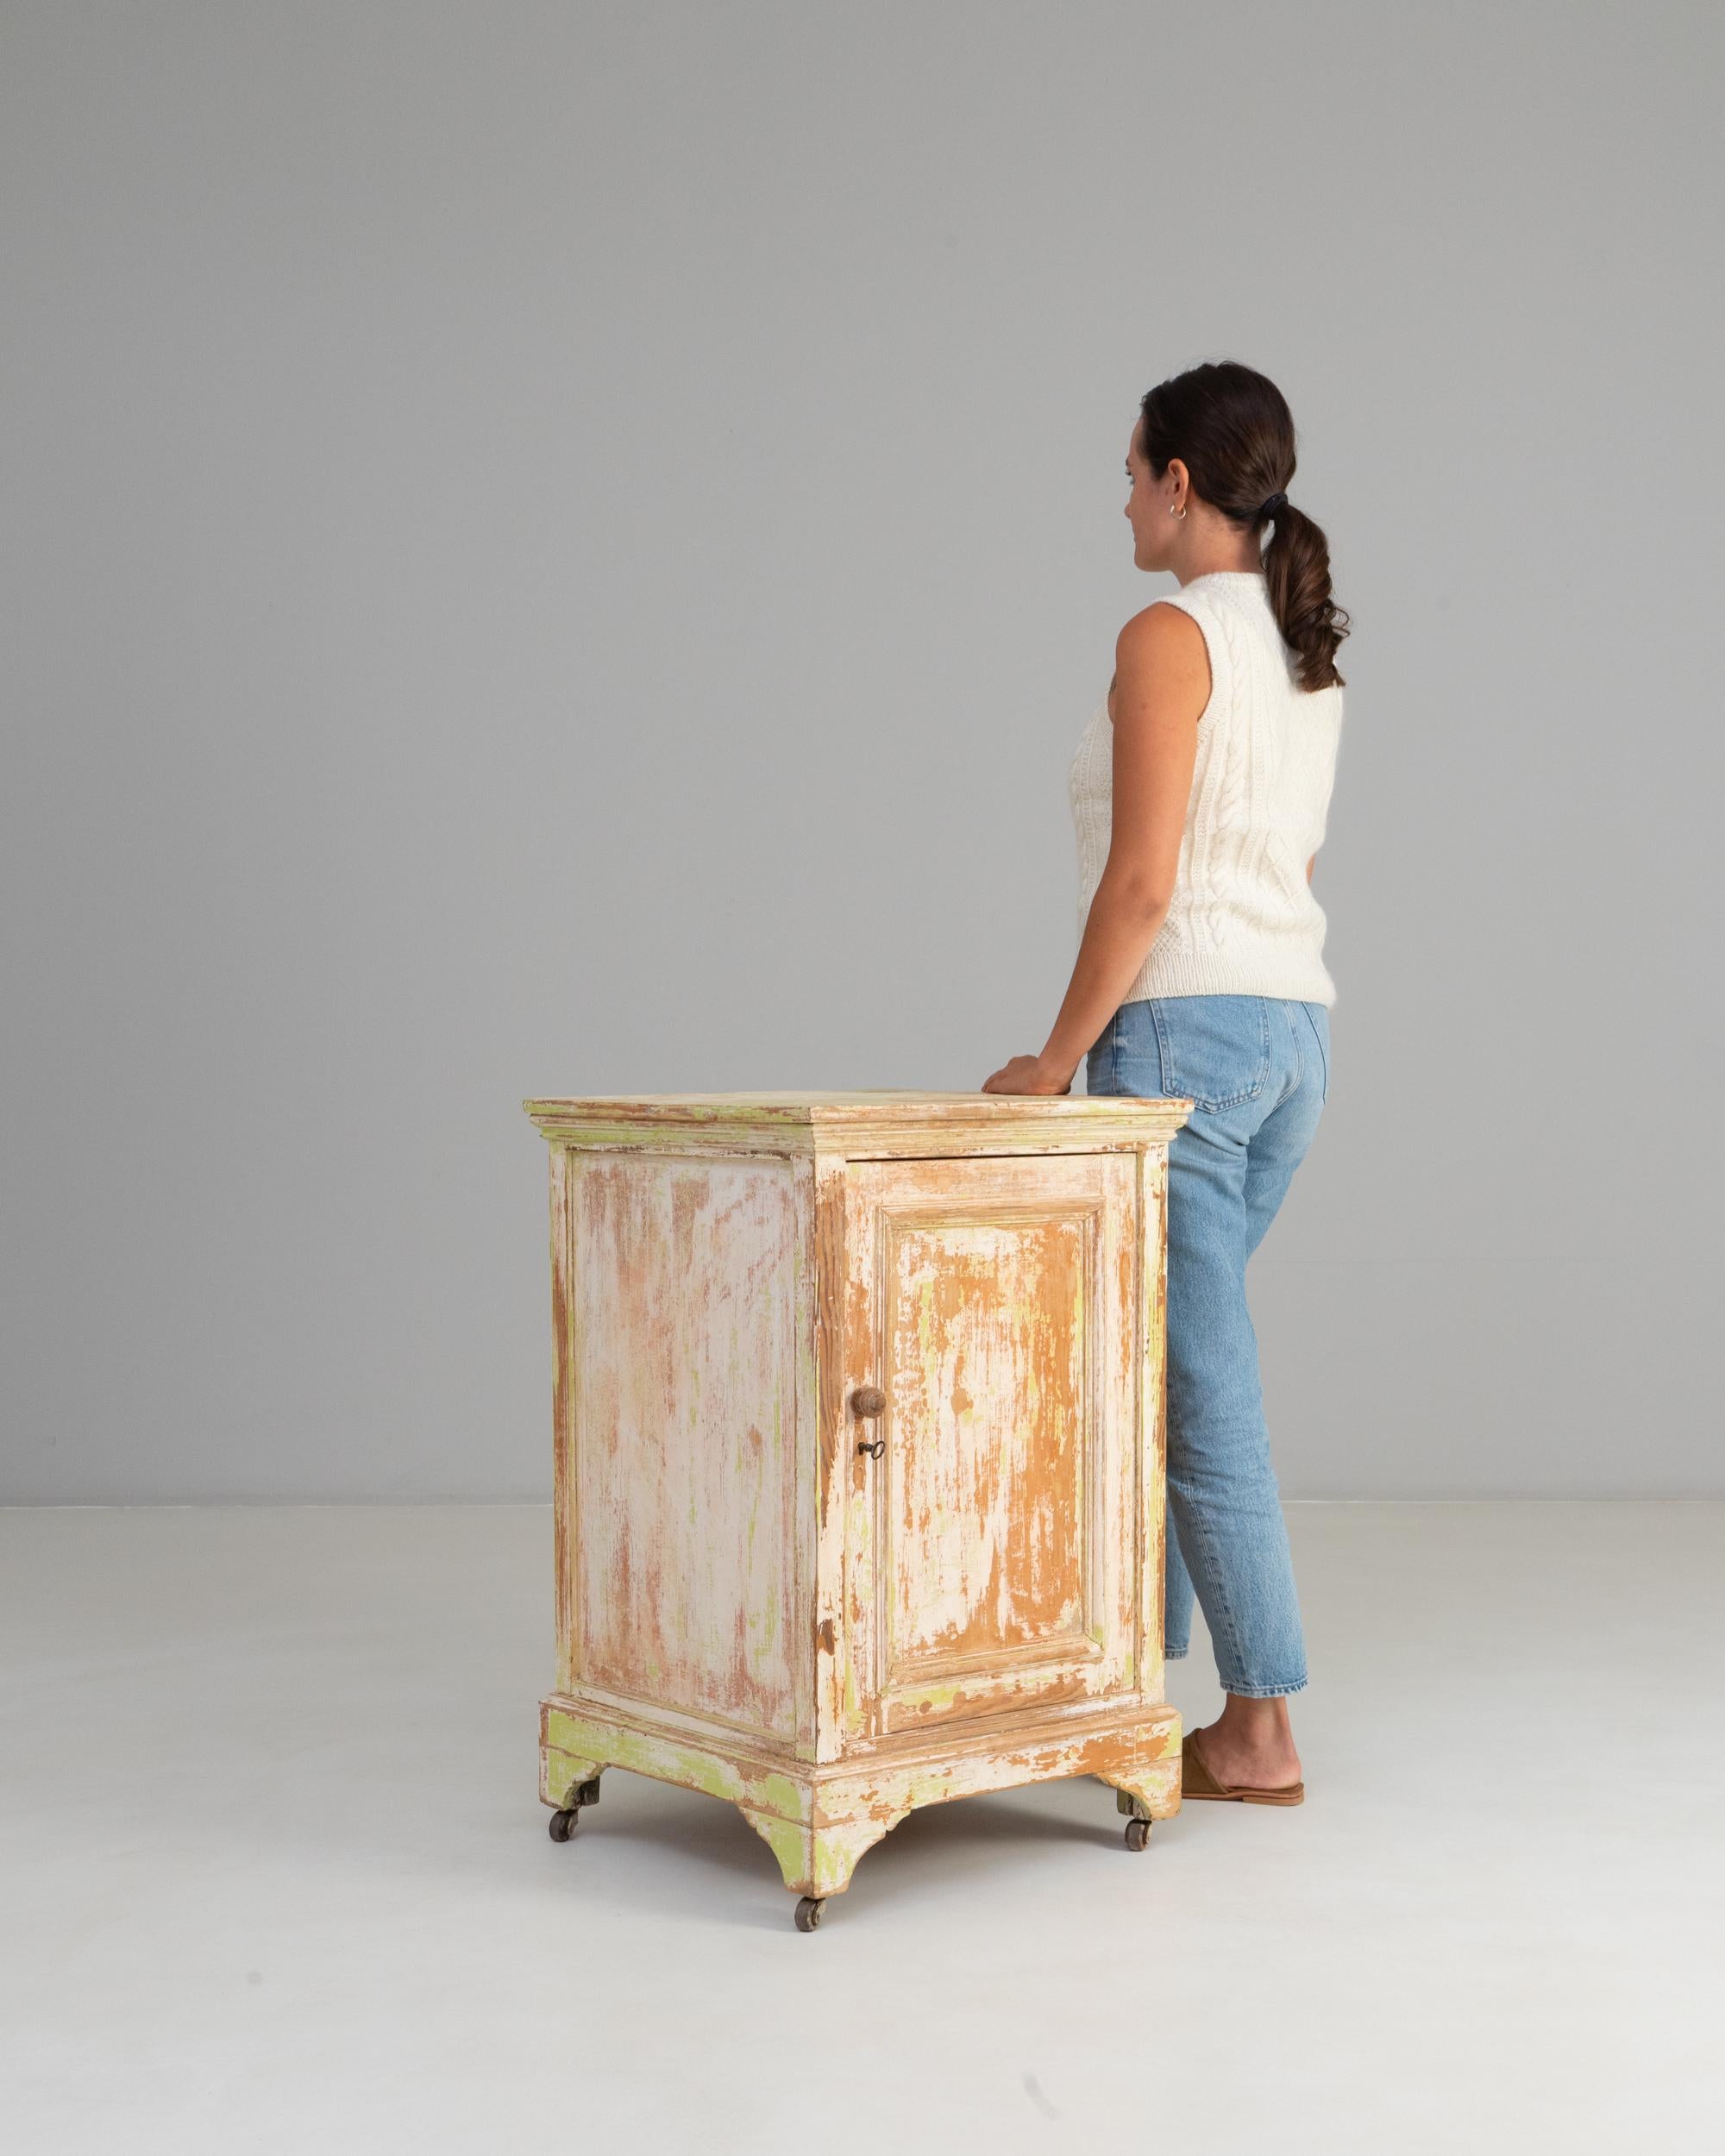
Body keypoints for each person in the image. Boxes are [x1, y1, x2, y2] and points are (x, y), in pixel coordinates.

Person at [981, 359, 1349, 1806]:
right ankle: (1131, 1662)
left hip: (1179, 1044)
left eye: (1132, 471)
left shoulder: (1166, 636)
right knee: (1155, 1357)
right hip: (1293, 1038)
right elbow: (1291, 871)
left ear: (1180, 483)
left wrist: (1053, 1062)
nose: (1123, 496)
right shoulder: (1307, 654)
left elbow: (1142, 887)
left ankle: (1255, 1728)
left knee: (1196, 1386)